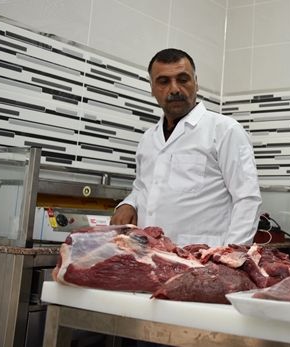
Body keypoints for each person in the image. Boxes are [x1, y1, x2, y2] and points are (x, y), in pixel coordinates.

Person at [111, 48, 262, 246]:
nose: (174, 89)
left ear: (196, 83)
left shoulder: (225, 130)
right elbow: (143, 186)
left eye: (183, 79)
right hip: (150, 254)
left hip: (202, 257)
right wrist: (128, 204)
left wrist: (232, 255)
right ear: (152, 88)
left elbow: (247, 199)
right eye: (163, 81)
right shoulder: (148, 138)